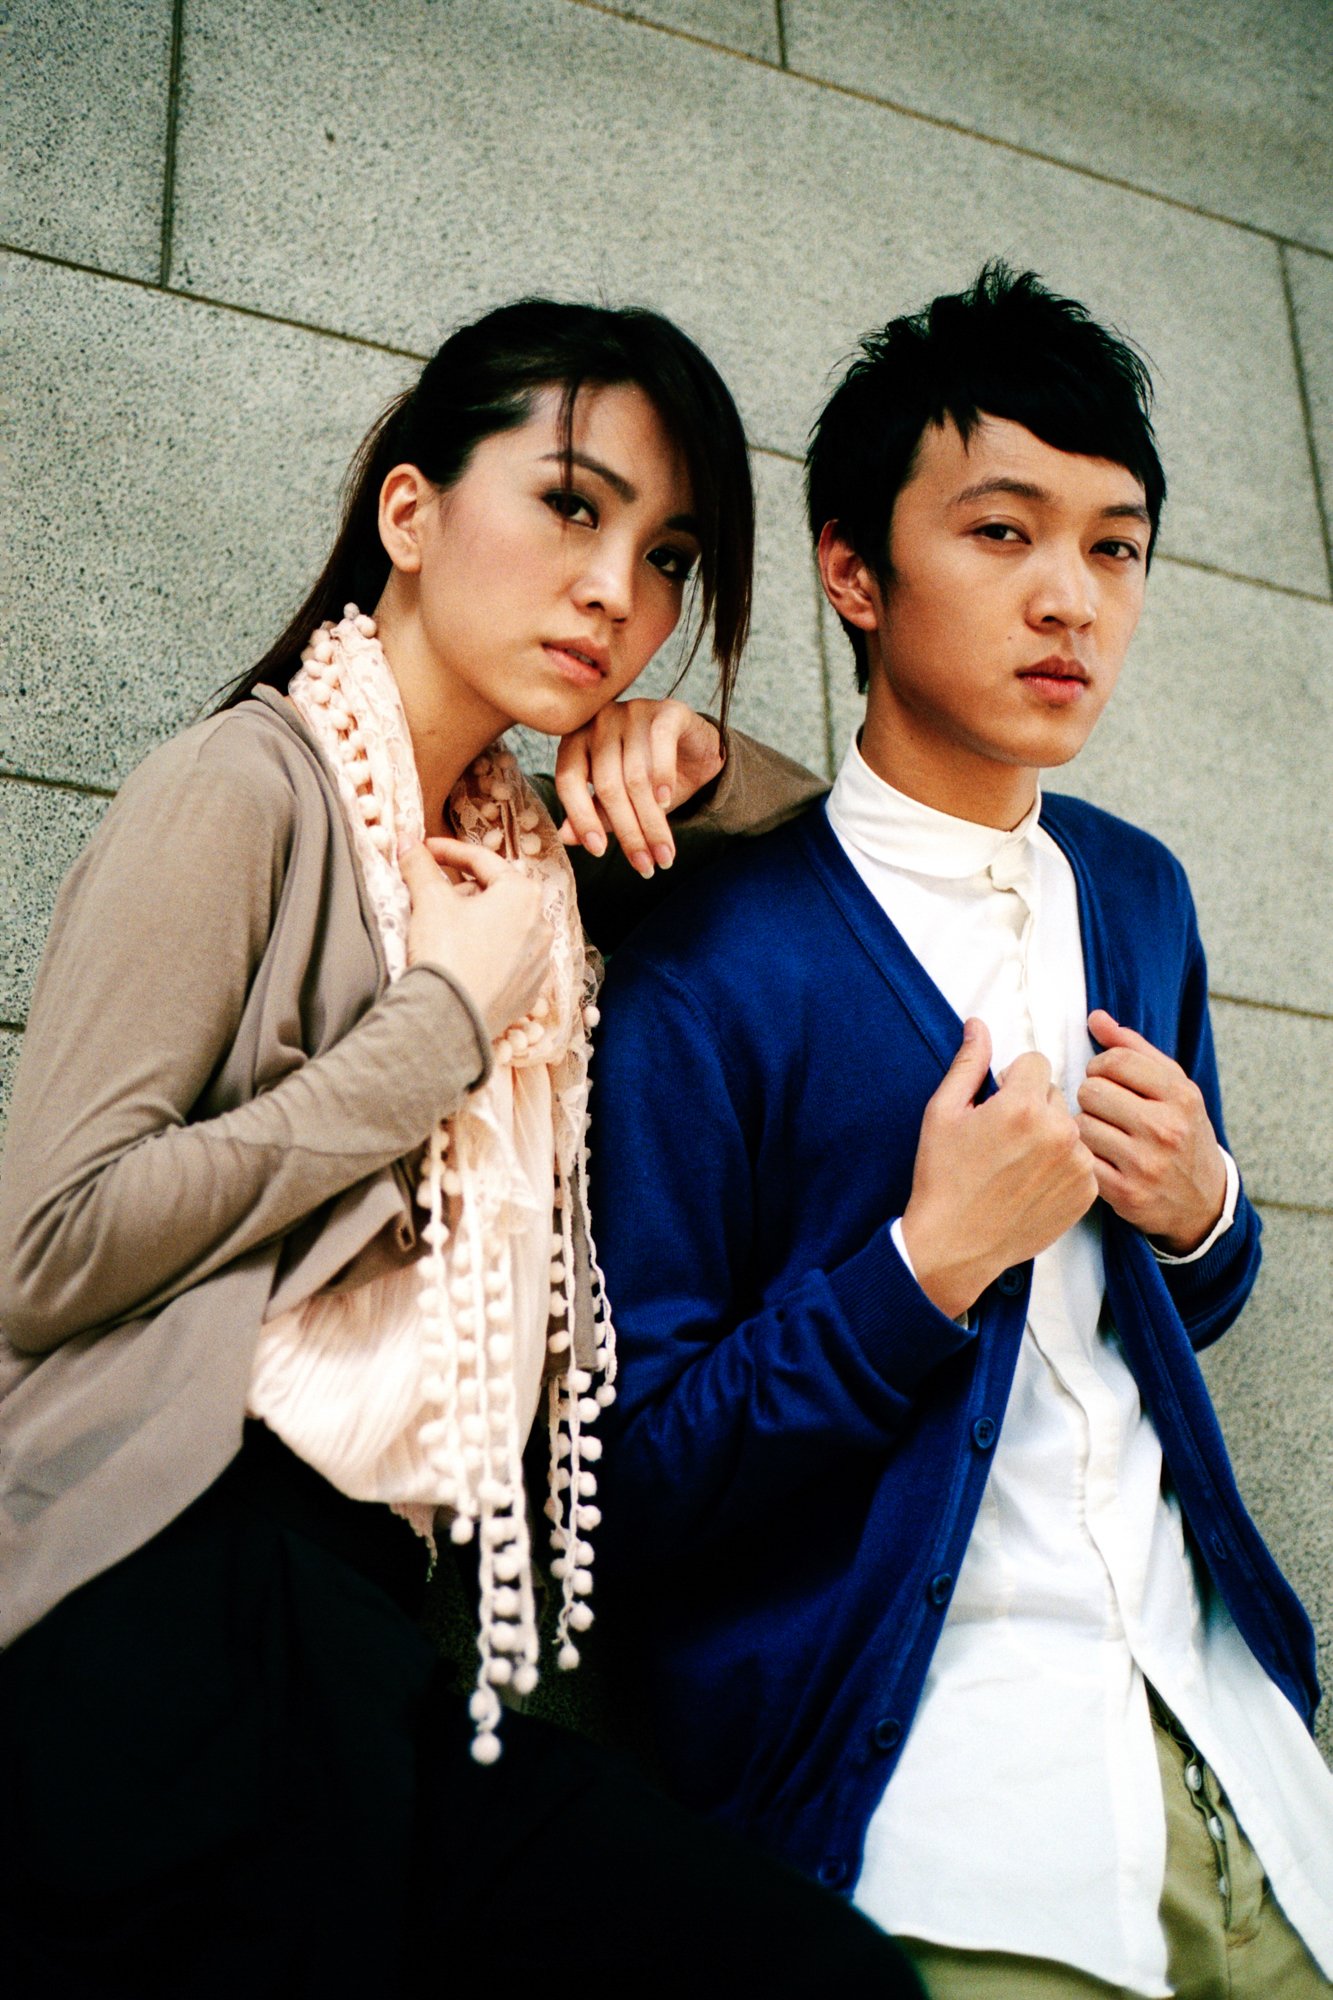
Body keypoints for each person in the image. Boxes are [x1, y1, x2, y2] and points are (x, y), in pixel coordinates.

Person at [0, 299, 923, 1997]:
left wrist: (692, 750)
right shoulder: (248, 787)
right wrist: (437, 1024)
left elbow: (829, 842)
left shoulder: (530, 880)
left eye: (667, 558)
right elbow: (48, 1247)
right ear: (410, 515)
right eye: (571, 506)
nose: (616, 592)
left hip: (383, 1644)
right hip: (157, 1590)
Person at [590, 266, 1333, 1998]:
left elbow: (1183, 1297)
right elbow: (630, 1482)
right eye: (1001, 533)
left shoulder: (1137, 894)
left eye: (1114, 548)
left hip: (1242, 1769)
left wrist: (1204, 1210)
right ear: (854, 571)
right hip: (937, 1811)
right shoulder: (709, 956)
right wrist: (920, 1270)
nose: (1070, 598)